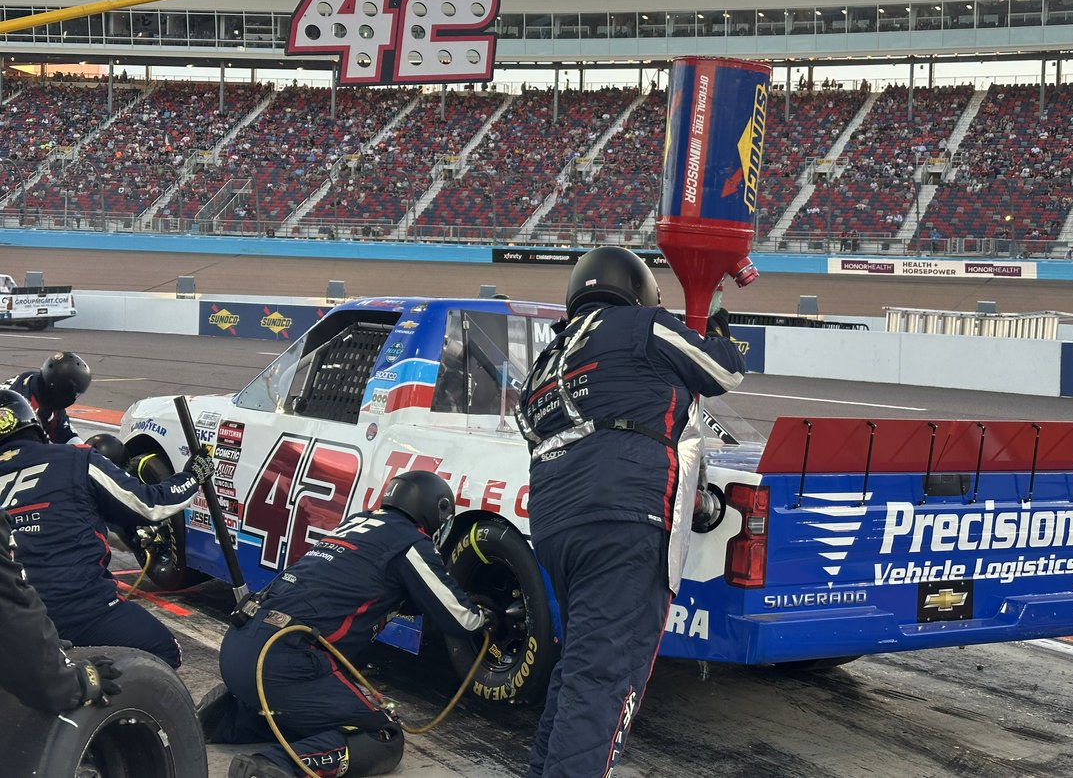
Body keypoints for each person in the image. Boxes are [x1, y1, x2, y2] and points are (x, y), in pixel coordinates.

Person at [516, 246, 746, 778]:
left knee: (580, 671)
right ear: (638, 290)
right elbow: (724, 371)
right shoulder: (643, 324)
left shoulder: (547, 360)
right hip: (625, 517)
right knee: (604, 680)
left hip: (555, 527)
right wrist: (716, 327)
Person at [202, 469, 495, 778]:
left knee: (308, 711)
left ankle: (226, 720)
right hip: (284, 660)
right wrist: (487, 616)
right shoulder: (410, 543)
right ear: (435, 512)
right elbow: (461, 619)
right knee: (381, 737)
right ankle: (272, 767)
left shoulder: (355, 524)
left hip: (240, 645)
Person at [0, 389, 211, 668]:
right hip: (79, 609)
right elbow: (150, 505)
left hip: (11, 622)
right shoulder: (75, 458)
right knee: (165, 650)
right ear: (34, 426)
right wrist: (193, 475)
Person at [0, 508, 123, 713]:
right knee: (164, 647)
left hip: (52, 614)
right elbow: (10, 612)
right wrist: (71, 683)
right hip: (76, 607)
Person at [2, 351, 92, 444]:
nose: (74, 399)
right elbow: (21, 446)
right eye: (76, 394)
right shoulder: (22, 405)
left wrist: (85, 449)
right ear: (60, 390)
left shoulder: (41, 388)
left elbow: (65, 433)